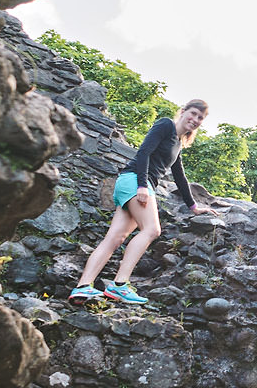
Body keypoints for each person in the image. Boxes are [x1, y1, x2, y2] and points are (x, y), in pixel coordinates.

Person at [69, 98, 210, 307]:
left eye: (200, 118)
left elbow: (179, 176)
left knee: (115, 237)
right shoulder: (165, 125)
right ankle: (119, 284)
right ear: (183, 111)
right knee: (152, 230)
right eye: (193, 113)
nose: (195, 119)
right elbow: (144, 152)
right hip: (135, 181)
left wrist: (193, 207)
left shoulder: (177, 143)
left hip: (131, 183)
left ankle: (82, 287)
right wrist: (142, 185)